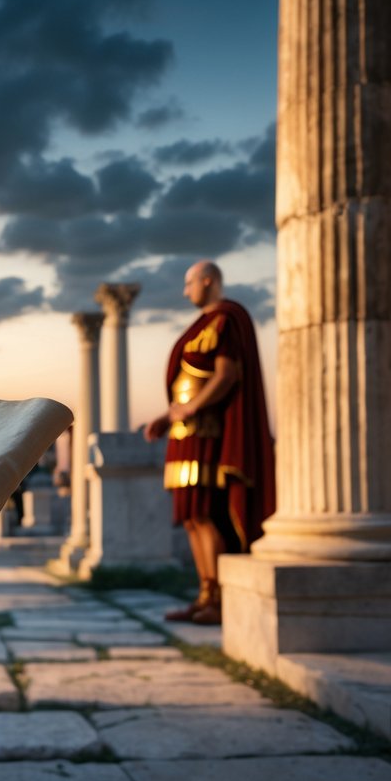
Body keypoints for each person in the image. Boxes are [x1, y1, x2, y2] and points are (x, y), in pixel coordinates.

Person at [144, 260, 276, 625]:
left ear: (209, 280)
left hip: (209, 435)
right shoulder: (198, 326)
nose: (186, 291)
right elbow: (186, 385)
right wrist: (168, 416)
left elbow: (226, 375)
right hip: (184, 435)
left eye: (190, 283)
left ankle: (218, 598)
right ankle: (204, 594)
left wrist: (189, 409)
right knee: (190, 518)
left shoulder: (227, 319)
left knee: (206, 515)